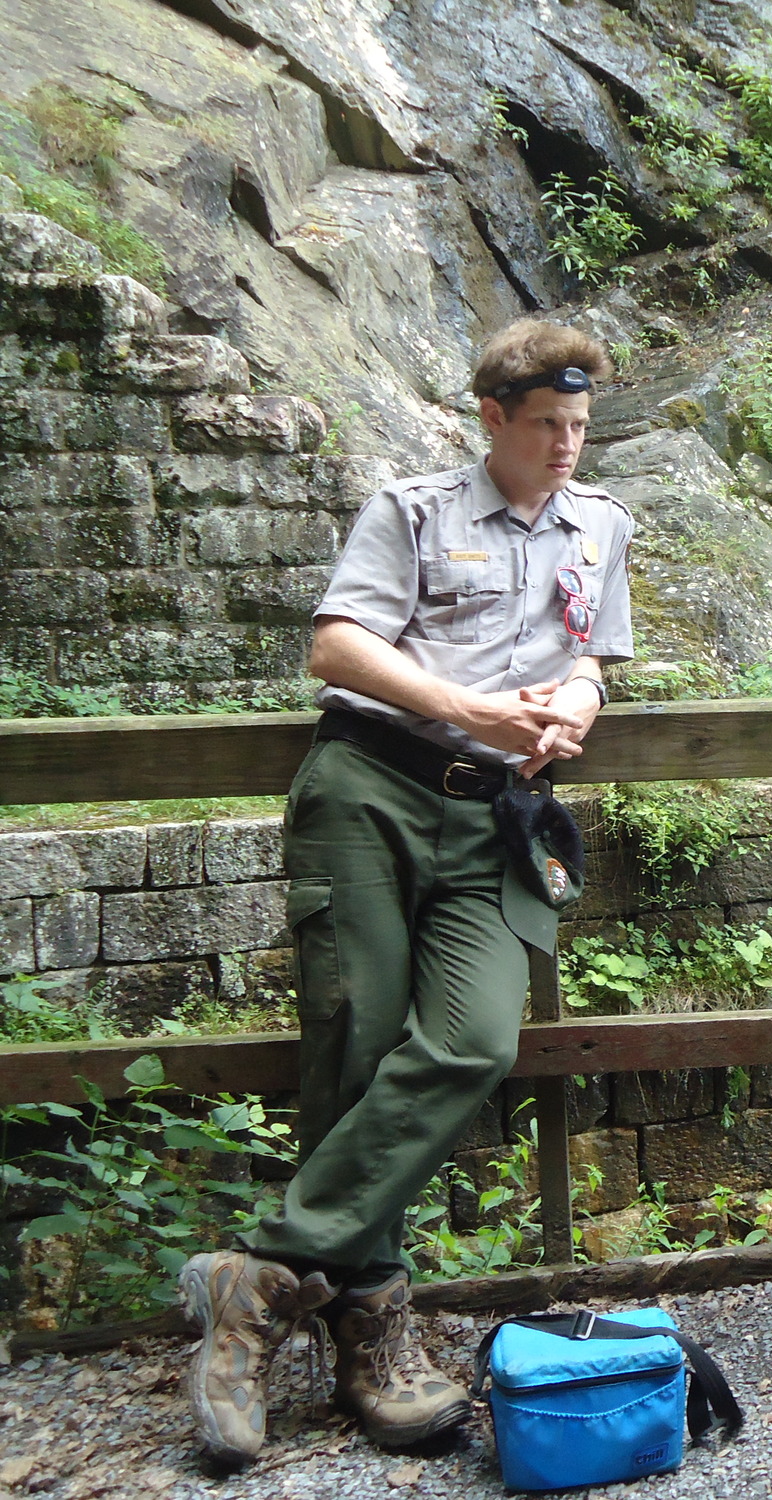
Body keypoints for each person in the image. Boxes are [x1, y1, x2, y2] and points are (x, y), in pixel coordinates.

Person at [179, 320, 633, 1466]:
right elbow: (336, 649)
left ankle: (258, 1279)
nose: (567, 445)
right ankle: (372, 1331)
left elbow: (591, 651)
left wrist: (577, 700)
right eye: (546, 425)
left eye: (580, 425)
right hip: (371, 792)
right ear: (492, 419)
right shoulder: (413, 509)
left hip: (495, 820)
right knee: (357, 1041)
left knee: (474, 1039)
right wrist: (468, 707)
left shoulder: (601, 526)